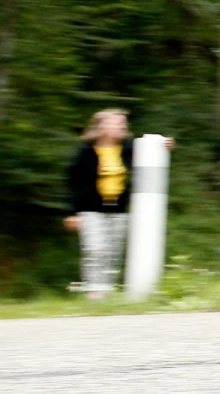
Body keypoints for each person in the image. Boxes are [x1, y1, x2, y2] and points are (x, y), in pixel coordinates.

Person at [63, 109, 173, 299]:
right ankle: (95, 291)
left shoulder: (128, 150)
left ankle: (108, 291)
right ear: (102, 127)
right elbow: (73, 183)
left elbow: (152, 150)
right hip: (90, 210)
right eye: (117, 123)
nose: (123, 126)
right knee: (95, 249)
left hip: (119, 210)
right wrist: (72, 212)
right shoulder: (85, 152)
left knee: (113, 251)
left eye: (124, 123)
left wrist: (165, 145)